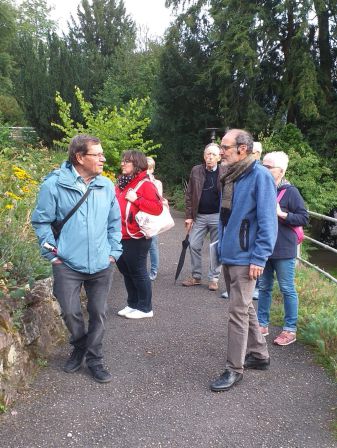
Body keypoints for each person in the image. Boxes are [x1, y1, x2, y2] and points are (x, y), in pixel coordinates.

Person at [32, 134, 122, 383]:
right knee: (71, 312)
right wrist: (52, 254)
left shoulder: (105, 185)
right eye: (98, 154)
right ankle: (80, 345)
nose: (103, 159)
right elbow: (41, 222)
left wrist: (113, 252)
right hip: (68, 264)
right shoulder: (54, 185)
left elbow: (115, 223)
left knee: (98, 312)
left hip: (102, 263)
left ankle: (94, 359)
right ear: (80, 157)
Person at [210, 129, 277, 392]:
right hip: (230, 254)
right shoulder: (230, 174)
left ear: (242, 149)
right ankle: (259, 355)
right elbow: (227, 216)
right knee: (246, 307)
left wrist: (259, 257)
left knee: (237, 312)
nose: (220, 151)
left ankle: (233, 369)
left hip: (247, 257)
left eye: (225, 147)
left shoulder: (259, 176)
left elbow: (268, 223)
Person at [258, 151, 308, 345]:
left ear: (281, 170)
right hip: (264, 247)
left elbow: (303, 217)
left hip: (283, 249)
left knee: (287, 288)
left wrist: (283, 214)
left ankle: (290, 329)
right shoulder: (262, 188)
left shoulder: (291, 192)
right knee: (264, 287)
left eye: (268, 167)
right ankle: (262, 324)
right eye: (263, 165)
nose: (264, 169)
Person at [116, 150, 163, 319]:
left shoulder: (145, 184)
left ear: (136, 164)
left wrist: (137, 200)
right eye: (122, 160)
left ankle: (145, 308)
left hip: (137, 236)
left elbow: (158, 208)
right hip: (121, 235)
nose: (122, 163)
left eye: (126, 161)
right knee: (126, 270)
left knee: (137, 270)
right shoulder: (122, 183)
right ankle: (133, 303)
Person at [182, 143, 224, 291]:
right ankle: (196, 276)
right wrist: (189, 216)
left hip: (218, 216)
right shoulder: (196, 170)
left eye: (213, 155)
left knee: (216, 248)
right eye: (207, 154)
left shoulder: (225, 171)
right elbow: (189, 194)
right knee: (193, 244)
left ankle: (214, 278)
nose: (210, 157)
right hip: (199, 216)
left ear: (219, 157)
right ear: (204, 156)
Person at [146, 157, 163, 281]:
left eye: (149, 168)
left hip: (152, 218)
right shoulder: (136, 181)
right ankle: (140, 270)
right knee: (140, 245)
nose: (147, 171)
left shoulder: (157, 183)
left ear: (152, 169)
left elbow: (158, 201)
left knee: (152, 245)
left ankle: (153, 270)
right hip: (139, 218)